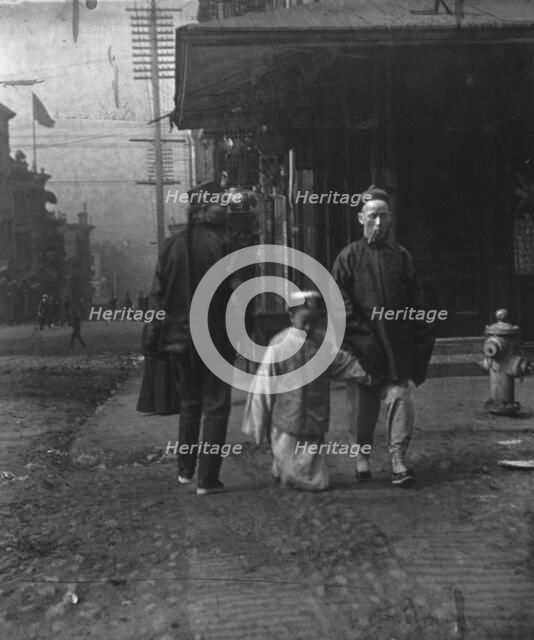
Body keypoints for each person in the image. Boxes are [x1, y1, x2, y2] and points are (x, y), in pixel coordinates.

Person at [331, 187, 435, 488]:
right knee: (364, 404)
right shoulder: (347, 258)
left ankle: (398, 459)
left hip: (397, 344)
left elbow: (418, 303)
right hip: (363, 345)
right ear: (360, 217)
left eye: (384, 216)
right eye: (372, 216)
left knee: (400, 398)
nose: (378, 223)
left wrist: (419, 343)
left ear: (390, 220)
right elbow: (341, 305)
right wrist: (365, 340)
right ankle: (362, 457)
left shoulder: (402, 257)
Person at [149, 183, 237, 496]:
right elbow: (236, 294)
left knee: (190, 403)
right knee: (215, 405)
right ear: (203, 211)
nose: (225, 209)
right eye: (219, 204)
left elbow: (157, 298)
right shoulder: (223, 243)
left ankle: (185, 471)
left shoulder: (170, 246)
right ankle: (208, 479)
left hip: (177, 341)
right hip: (214, 338)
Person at [242, 291, 372, 492]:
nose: (309, 328)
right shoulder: (279, 345)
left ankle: (297, 476)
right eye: (304, 322)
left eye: (314, 322)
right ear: (292, 317)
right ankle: (286, 472)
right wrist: (259, 420)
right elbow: (263, 384)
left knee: (311, 458)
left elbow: (342, 363)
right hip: (287, 414)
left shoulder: (322, 343)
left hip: (314, 412)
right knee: (287, 447)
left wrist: (366, 373)